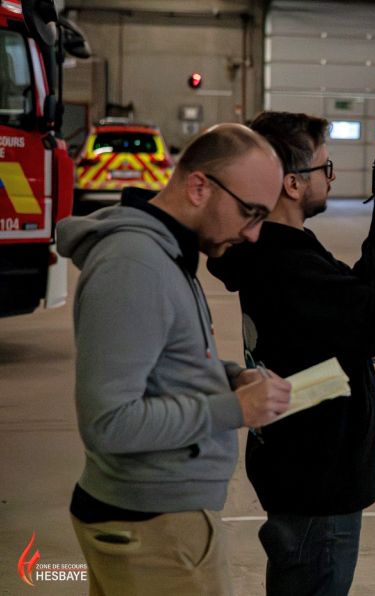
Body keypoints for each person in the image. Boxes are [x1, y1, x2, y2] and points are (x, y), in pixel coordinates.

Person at [207, 111, 375, 595]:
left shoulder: (276, 249)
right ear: (292, 183)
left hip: (298, 462)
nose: (331, 178)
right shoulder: (285, 262)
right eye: (324, 168)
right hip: (317, 479)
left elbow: (350, 304)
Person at [57, 123, 293, 596]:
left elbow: (161, 361)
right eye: (250, 213)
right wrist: (233, 409)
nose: (254, 234)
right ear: (199, 186)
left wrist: (229, 377)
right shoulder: (134, 264)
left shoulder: (166, 255)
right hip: (154, 527)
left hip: (158, 517)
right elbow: (109, 423)